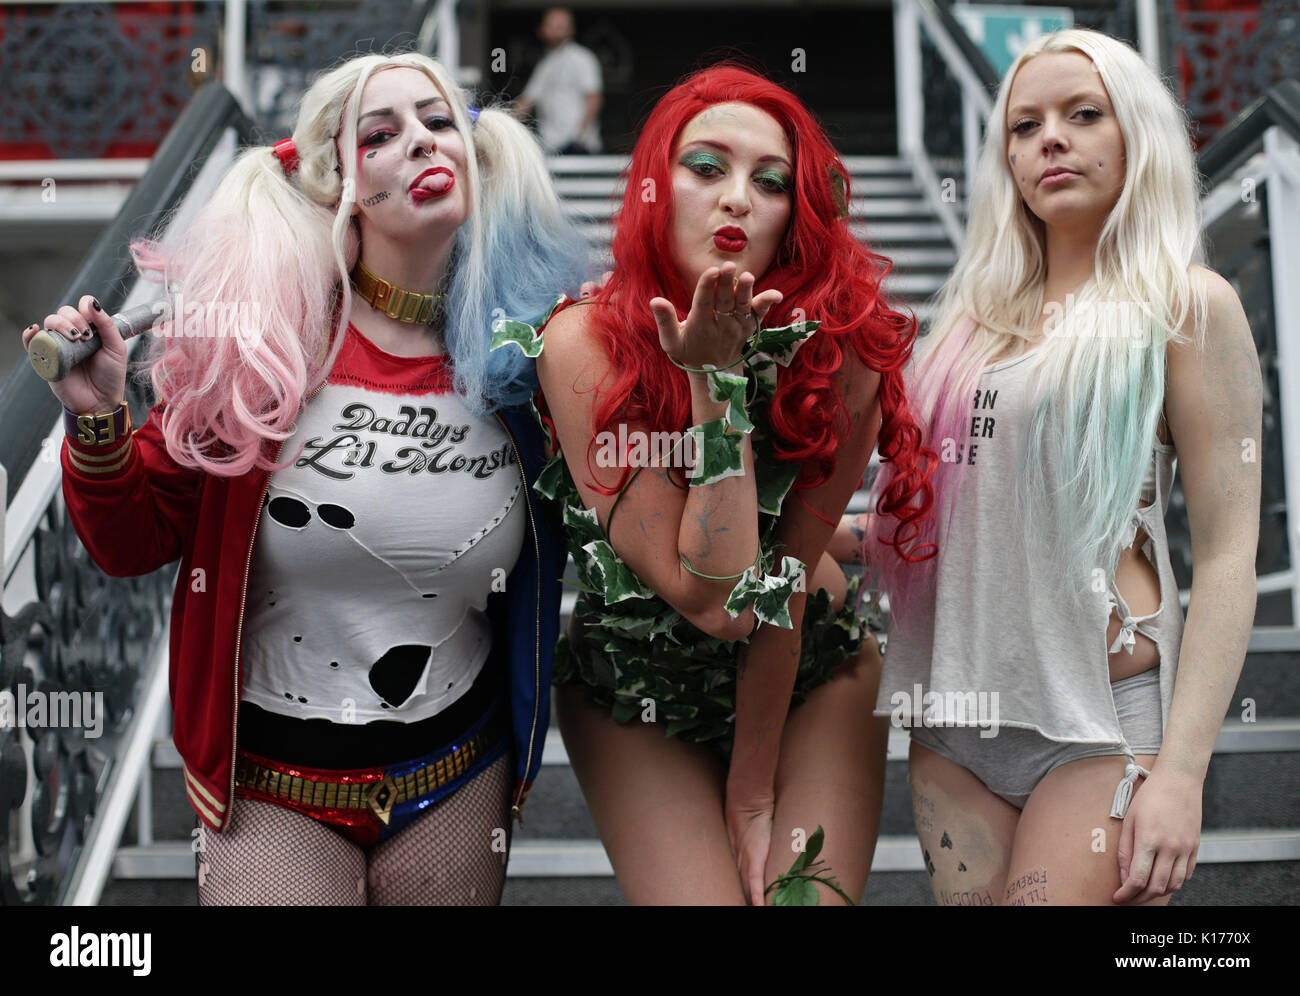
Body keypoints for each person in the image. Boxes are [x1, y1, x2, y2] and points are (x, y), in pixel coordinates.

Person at [23, 52, 586, 905]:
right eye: (382, 135)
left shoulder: (528, 364)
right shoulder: (263, 354)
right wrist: (98, 413)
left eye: (439, 124)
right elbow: (132, 544)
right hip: (272, 791)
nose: (422, 146)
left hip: (460, 776)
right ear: (344, 185)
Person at [505, 65, 934, 905]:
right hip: (635, 693)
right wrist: (716, 384)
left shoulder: (845, 353)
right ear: (655, 189)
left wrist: (755, 789)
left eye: (770, 182)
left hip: (809, 674)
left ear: (795, 216)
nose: (737, 197)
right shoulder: (579, 343)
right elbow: (714, 597)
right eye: (707, 167)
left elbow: (774, 592)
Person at [858, 28, 1261, 906]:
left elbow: (1231, 558)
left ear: (1137, 136)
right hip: (956, 724)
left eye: (1084, 115)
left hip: (1102, 726)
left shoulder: (1185, 304)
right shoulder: (965, 323)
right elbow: (934, 515)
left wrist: (1184, 774)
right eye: (1024, 125)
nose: (1050, 139)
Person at [512, 7, 603, 154]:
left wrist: (579, 137)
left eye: (560, 26)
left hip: (578, 146)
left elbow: (594, 98)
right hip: (550, 146)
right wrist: (501, 127)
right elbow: (526, 102)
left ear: (571, 30)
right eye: (551, 25)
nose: (555, 30)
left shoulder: (582, 58)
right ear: (541, 30)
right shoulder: (545, 64)